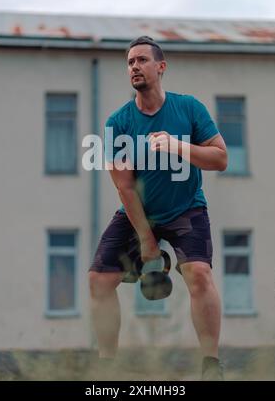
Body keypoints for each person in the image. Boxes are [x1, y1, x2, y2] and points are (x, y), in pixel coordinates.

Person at [88, 36, 227, 381]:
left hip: (186, 209)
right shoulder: (117, 123)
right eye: (130, 62)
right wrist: (146, 241)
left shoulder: (189, 108)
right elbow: (124, 185)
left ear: (160, 67)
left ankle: (211, 366)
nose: (134, 66)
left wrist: (178, 145)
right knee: (99, 280)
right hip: (138, 211)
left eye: (141, 60)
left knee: (199, 274)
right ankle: (107, 366)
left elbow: (221, 158)